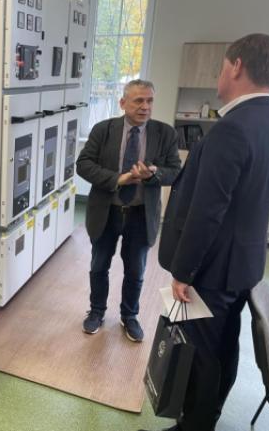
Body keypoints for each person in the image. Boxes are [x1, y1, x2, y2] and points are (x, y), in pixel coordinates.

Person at [141, 34, 269, 431]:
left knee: (200, 354)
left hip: (210, 269)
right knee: (224, 345)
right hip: (244, 263)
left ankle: (195, 425)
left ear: (237, 66)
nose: (220, 74)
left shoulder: (232, 129)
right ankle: (206, 417)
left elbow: (207, 212)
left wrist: (183, 272)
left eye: (223, 66)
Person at [76, 80, 181, 342]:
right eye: (138, 101)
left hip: (140, 214)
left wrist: (154, 175)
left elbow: (175, 171)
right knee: (99, 265)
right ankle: (97, 312)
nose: (145, 107)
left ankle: (129, 316)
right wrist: (117, 179)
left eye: (149, 101)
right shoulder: (103, 130)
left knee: (135, 270)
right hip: (106, 212)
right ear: (123, 103)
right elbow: (83, 164)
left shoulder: (165, 133)